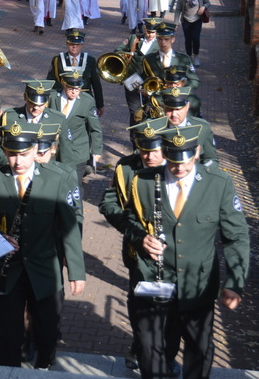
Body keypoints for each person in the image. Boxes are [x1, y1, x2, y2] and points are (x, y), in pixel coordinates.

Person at [120, 124, 249, 379]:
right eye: (172, 159)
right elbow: (129, 219)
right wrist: (140, 238)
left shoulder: (219, 184)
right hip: (152, 280)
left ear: (197, 151)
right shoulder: (143, 181)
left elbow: (237, 236)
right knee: (149, 346)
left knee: (199, 348)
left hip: (197, 284)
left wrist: (235, 282)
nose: (179, 167)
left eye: (185, 159)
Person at [0, 121, 86, 370]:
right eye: (12, 154)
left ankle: (43, 368)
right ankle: (9, 373)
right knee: (8, 336)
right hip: (8, 271)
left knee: (47, 334)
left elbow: (70, 228)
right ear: (5, 151)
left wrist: (76, 272)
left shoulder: (56, 179)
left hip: (45, 270)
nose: (18, 161)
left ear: (36, 149)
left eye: (24, 154)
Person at [98, 117, 172, 371]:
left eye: (154, 149)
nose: (149, 156)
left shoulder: (177, 165)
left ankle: (166, 353)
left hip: (175, 254)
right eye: (143, 149)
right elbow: (108, 204)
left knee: (172, 307)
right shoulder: (126, 167)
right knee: (139, 300)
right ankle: (141, 345)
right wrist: (135, 233)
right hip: (138, 250)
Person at [49, 69, 103, 200]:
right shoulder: (52, 97)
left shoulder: (87, 101)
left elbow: (95, 128)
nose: (74, 91)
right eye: (71, 88)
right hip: (54, 151)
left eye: (78, 88)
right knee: (54, 184)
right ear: (63, 84)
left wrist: (96, 150)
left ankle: (75, 214)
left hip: (77, 151)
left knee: (74, 185)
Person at [0, 79, 67, 167]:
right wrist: (8, 162)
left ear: (47, 100)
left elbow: (66, 152)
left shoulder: (57, 119)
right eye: (32, 103)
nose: (36, 108)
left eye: (41, 104)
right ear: (25, 97)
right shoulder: (10, 117)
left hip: (46, 172)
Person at [46, 29, 105, 116]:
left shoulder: (90, 60)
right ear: (67, 43)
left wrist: (100, 104)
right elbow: (51, 81)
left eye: (77, 44)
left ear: (82, 45)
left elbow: (96, 83)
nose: (74, 46)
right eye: (71, 44)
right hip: (64, 98)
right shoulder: (57, 59)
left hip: (84, 98)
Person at [115, 18, 160, 127]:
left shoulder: (160, 44)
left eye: (153, 32)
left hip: (150, 83)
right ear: (145, 29)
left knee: (150, 110)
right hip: (132, 80)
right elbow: (117, 51)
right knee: (135, 111)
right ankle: (134, 138)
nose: (150, 35)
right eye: (148, 32)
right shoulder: (133, 39)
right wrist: (125, 54)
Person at [161, 86, 218, 165]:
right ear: (163, 107)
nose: (173, 114)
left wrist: (199, 174)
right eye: (169, 109)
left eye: (178, 109)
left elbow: (211, 159)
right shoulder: (155, 129)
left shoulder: (202, 128)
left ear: (187, 106)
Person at [141, 22, 201, 93]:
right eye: (160, 39)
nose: (162, 42)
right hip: (156, 99)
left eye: (166, 39)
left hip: (176, 100)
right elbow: (143, 80)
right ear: (156, 40)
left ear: (173, 40)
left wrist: (182, 88)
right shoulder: (149, 59)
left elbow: (195, 81)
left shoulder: (183, 59)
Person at [174, 0, 210, 67]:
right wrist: (176, 23)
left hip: (197, 20)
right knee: (188, 40)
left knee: (196, 38)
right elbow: (178, 9)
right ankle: (189, 57)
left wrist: (203, 7)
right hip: (186, 20)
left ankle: (196, 56)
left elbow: (208, 3)